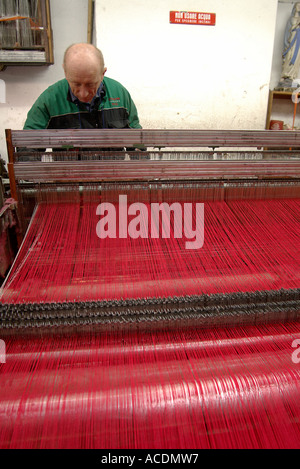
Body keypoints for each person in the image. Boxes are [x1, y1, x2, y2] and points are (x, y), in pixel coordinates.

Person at [23, 43, 141, 130]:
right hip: (68, 164)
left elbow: (136, 138)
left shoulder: (119, 94)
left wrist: (139, 154)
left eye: (90, 84)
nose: (83, 94)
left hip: (111, 164)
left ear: (102, 74)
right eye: (76, 84)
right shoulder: (50, 100)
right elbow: (27, 146)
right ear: (65, 72)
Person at [277, 3, 300, 90]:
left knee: (296, 60)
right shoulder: (292, 19)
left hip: (298, 45)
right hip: (291, 44)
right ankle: (285, 76)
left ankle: (291, 77)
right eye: (298, 7)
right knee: (288, 58)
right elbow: (291, 28)